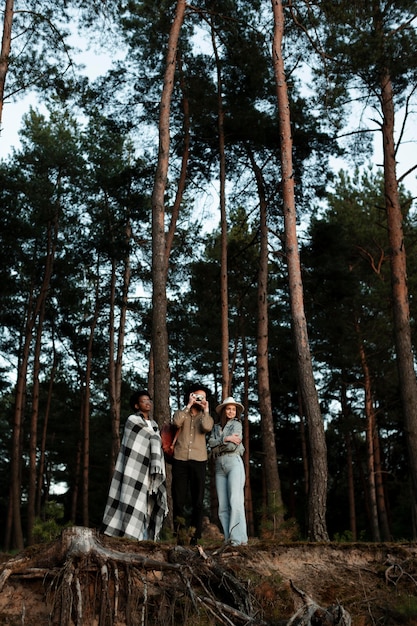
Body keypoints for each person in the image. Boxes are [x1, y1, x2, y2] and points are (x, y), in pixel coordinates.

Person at [102, 390, 168, 541]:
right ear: (137, 405)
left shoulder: (154, 425)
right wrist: (157, 438)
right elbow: (139, 444)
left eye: (149, 400)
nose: (148, 403)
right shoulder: (132, 420)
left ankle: (144, 539)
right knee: (132, 500)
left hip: (149, 472)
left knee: (147, 504)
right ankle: (130, 537)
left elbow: (155, 440)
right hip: (135, 470)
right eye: (144, 401)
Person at [172, 382, 214, 545]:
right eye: (196, 396)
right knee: (178, 499)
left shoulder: (205, 416)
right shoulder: (182, 412)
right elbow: (176, 422)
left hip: (199, 460)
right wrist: (188, 406)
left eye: (202, 397)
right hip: (180, 459)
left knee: (198, 500)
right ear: (190, 396)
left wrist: (206, 409)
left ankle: (196, 537)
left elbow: (207, 427)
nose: (199, 399)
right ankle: (179, 536)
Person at [208, 396, 248, 546]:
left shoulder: (237, 424)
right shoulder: (216, 427)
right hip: (219, 466)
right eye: (228, 409)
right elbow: (211, 444)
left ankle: (238, 540)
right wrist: (226, 439)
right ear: (223, 411)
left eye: (233, 409)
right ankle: (228, 539)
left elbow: (232, 447)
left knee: (235, 501)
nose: (231, 411)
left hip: (233, 461)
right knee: (223, 505)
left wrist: (220, 444)